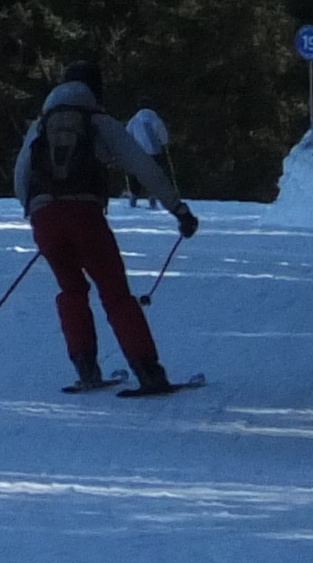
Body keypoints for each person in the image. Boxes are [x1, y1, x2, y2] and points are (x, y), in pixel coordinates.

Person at [15, 62, 198, 392]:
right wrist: (178, 209)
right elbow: (142, 165)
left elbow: (21, 175)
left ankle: (86, 369)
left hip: (45, 220)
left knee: (71, 290)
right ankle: (149, 372)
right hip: (85, 217)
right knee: (115, 293)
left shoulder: (41, 125)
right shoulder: (99, 122)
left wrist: (36, 212)